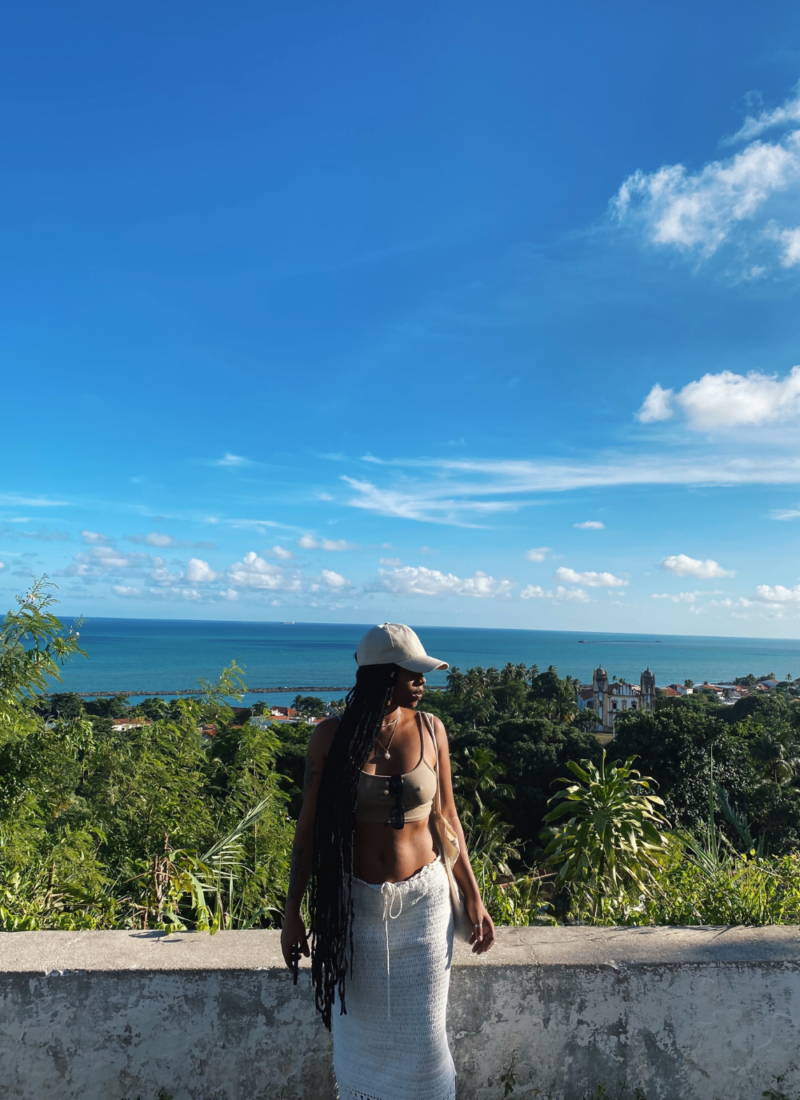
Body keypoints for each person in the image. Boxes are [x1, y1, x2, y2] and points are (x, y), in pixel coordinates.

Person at [281, 622, 495, 1100]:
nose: (422, 682)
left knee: (425, 1050)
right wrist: (291, 912)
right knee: (362, 1044)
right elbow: (309, 830)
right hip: (354, 912)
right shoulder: (329, 738)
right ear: (383, 675)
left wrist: (475, 897)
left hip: (425, 910)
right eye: (411, 674)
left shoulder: (431, 729)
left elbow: (448, 821)